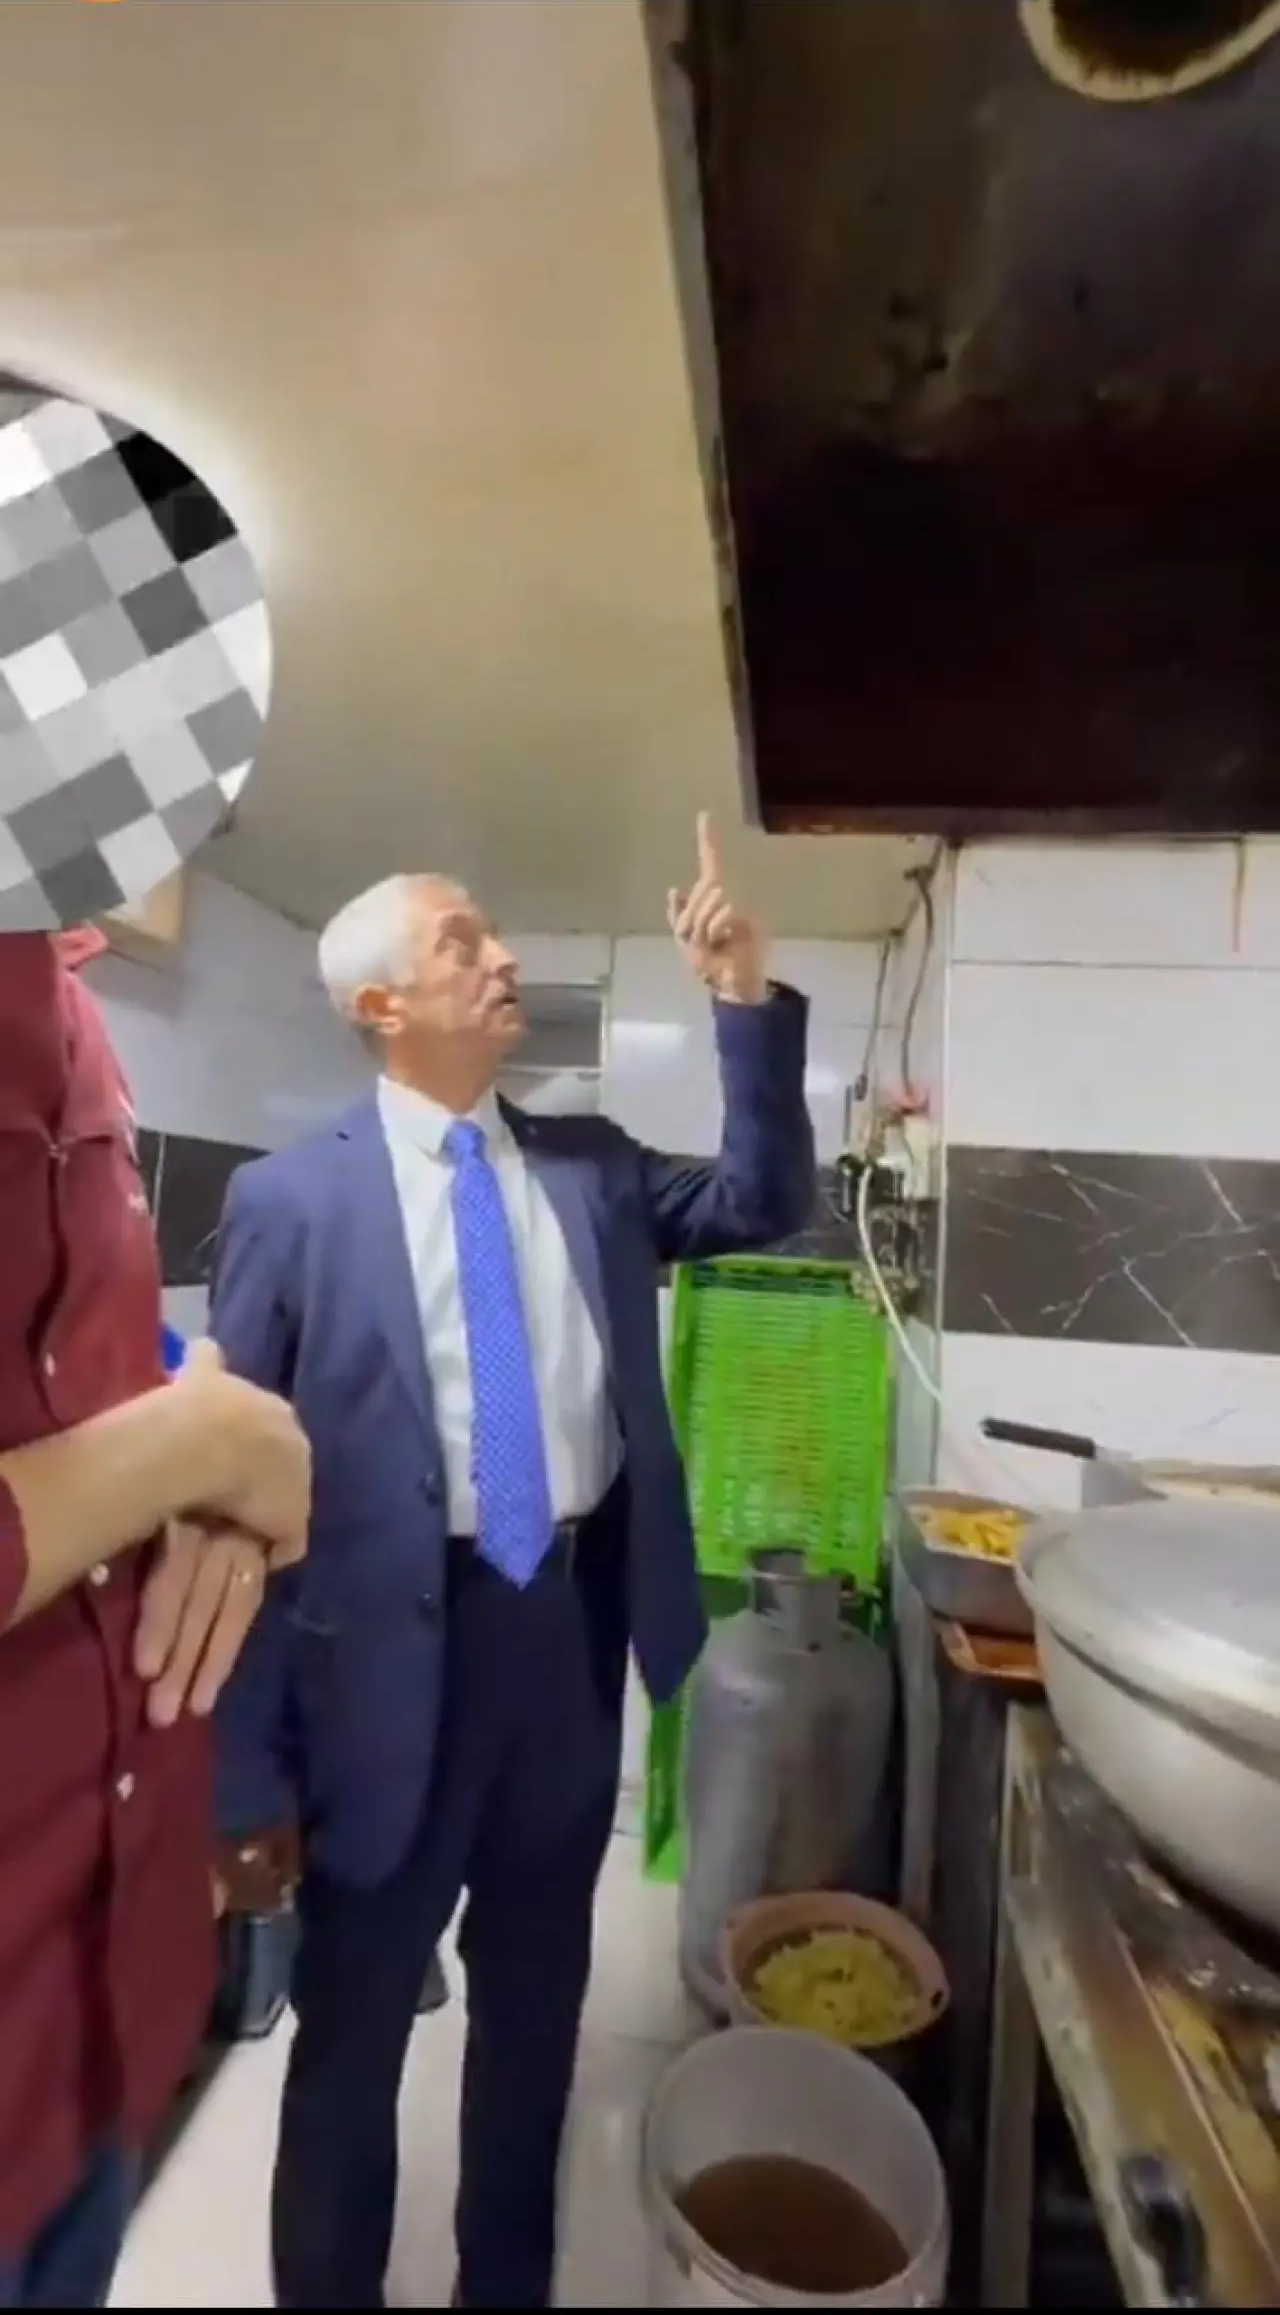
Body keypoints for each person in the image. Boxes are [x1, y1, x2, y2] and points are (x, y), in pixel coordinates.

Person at [211, 815, 817, 2309]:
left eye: (491, 934)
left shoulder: (589, 1168)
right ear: (381, 1005)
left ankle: (507, 2286)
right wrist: (244, 1773)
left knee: (538, 2018)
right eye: (462, 942)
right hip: (376, 1676)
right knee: (353, 2039)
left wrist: (744, 997)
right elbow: (232, 1509)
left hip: (564, 1645)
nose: (503, 958)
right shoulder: (290, 1204)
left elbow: (763, 1202)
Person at [0, 926, 312, 2311]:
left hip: (95, 2026)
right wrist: (198, 1448)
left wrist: (204, 1424)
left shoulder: (76, 1014)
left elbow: (98, 1373)